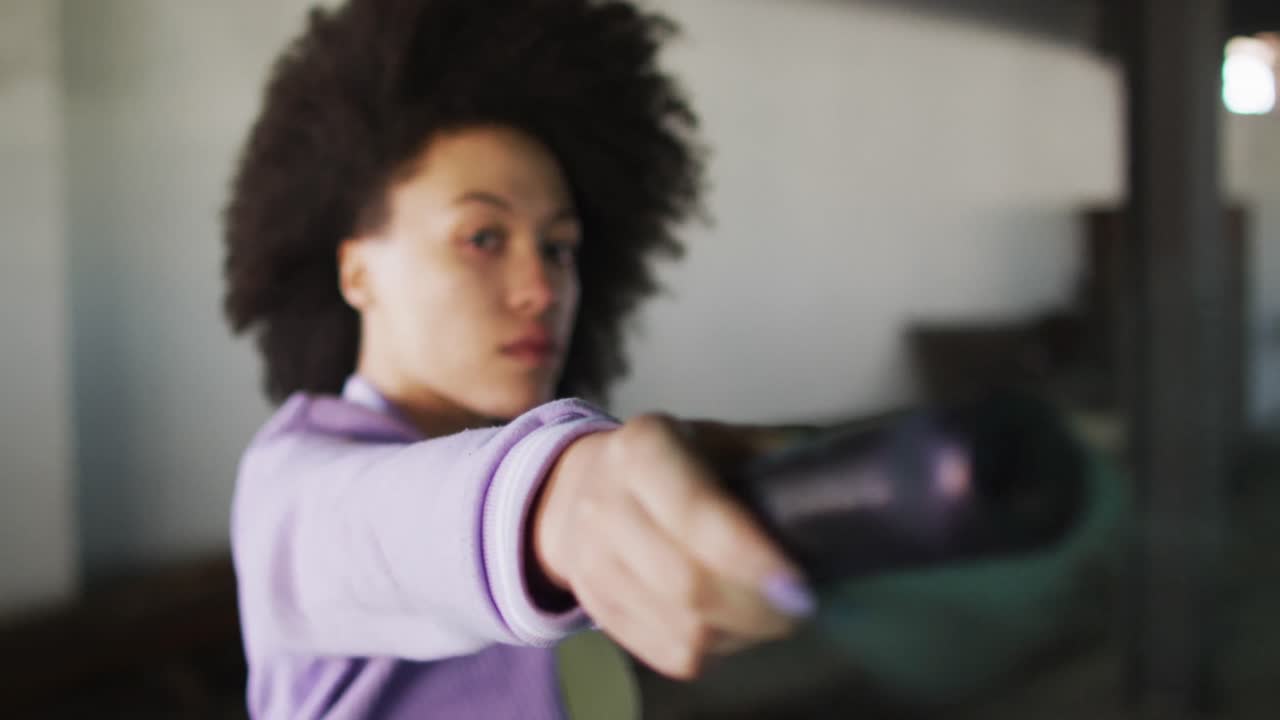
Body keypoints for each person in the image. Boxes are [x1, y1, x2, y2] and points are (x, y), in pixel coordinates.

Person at [222, 0, 816, 717]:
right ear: (357, 272)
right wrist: (570, 498)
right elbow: (389, 531)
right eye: (482, 237)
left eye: (559, 248)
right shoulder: (293, 494)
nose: (542, 291)